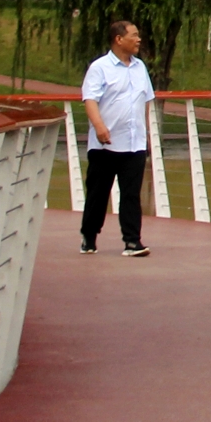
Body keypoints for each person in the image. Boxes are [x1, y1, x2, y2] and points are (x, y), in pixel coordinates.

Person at [80, 19, 156, 256]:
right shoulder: (100, 68)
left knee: (131, 194)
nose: (139, 39)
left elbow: (145, 101)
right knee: (98, 194)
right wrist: (99, 127)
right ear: (119, 39)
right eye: (134, 35)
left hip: (134, 143)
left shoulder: (140, 67)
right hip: (105, 144)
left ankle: (132, 241)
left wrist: (147, 135)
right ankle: (89, 236)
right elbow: (89, 100)